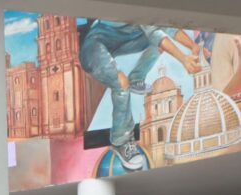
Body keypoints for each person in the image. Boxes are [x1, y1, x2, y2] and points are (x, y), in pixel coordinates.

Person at [79, 22, 202, 171]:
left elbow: (167, 28)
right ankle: (121, 141)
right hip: (94, 47)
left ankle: (136, 78)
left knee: (158, 43)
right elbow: (155, 34)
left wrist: (193, 46)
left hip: (120, 42)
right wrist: (184, 59)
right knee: (121, 83)